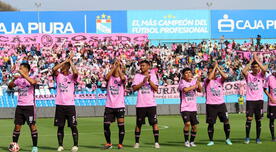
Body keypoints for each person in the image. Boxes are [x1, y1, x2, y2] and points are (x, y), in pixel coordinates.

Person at [8, 63, 38, 152]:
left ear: (26, 70)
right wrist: (14, 78)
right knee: (17, 126)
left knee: (32, 126)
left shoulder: (31, 78)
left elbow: (33, 82)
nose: (19, 69)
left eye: (21, 68)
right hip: (20, 106)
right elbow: (10, 86)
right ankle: (14, 145)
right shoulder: (19, 80)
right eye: (19, 68)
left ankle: (35, 147)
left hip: (29, 106)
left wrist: (23, 75)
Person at [52, 53, 79, 152]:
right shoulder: (58, 76)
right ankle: (60, 145)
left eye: (63, 67)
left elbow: (76, 72)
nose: (61, 68)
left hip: (70, 106)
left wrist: (70, 61)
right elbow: (54, 69)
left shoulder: (72, 77)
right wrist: (64, 61)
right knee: (60, 126)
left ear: (67, 69)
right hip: (60, 105)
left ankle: (75, 145)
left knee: (73, 126)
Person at [132, 60, 160, 149]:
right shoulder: (137, 76)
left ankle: (156, 142)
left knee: (154, 123)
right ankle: (137, 143)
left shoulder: (153, 76)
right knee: (138, 124)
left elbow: (156, 88)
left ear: (148, 66)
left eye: (143, 65)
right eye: (141, 66)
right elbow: (134, 88)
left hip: (151, 104)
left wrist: (150, 80)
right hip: (141, 104)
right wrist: (143, 82)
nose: (141, 67)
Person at [204, 62, 232, 146]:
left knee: (226, 121)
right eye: (211, 72)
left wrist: (217, 68)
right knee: (211, 123)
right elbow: (209, 77)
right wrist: (214, 69)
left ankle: (227, 139)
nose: (213, 73)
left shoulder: (219, 80)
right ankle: (211, 140)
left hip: (221, 104)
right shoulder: (206, 81)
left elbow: (225, 76)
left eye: (214, 72)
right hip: (211, 105)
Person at [242, 55, 267, 144]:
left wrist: (257, 61)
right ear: (251, 68)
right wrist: (252, 60)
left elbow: (264, 70)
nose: (256, 68)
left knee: (258, 120)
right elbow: (243, 71)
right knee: (249, 119)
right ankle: (247, 137)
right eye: (254, 67)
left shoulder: (261, 75)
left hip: (259, 100)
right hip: (250, 100)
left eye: (257, 67)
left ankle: (258, 138)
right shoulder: (248, 75)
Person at [103, 60, 127, 149]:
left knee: (121, 126)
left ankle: (120, 144)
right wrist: (114, 67)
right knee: (106, 125)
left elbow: (123, 79)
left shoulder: (123, 77)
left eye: (117, 66)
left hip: (119, 106)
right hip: (109, 105)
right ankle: (109, 143)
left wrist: (119, 68)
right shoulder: (110, 78)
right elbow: (106, 77)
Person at [178, 67, 202, 147]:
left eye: (189, 72)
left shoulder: (194, 81)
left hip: (193, 108)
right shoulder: (182, 82)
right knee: (187, 124)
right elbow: (185, 90)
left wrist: (198, 83)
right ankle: (186, 141)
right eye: (186, 73)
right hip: (185, 107)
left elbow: (200, 90)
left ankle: (192, 141)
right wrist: (195, 86)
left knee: (194, 126)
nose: (188, 74)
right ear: (184, 75)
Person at [264, 69, 276, 141]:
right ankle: (273, 137)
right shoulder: (270, 78)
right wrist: (271, 97)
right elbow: (264, 89)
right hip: (272, 104)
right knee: (272, 120)